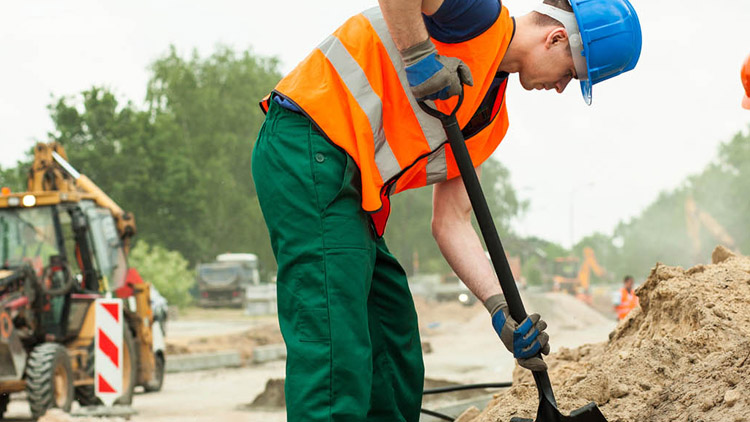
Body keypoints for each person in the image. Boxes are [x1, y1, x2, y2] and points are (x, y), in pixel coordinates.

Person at [251, 0, 642, 420]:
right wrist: (419, 57)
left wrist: (499, 310)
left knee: (392, 335)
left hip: (349, 186)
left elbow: (451, 222)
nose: (562, 87)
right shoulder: (475, 15)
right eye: (570, 73)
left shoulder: (490, 120)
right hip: (309, 142)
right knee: (335, 340)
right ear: (557, 38)